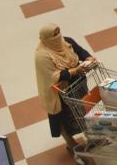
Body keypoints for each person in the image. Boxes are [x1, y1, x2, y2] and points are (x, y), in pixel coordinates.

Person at [34, 24, 97, 152]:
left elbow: (81, 51)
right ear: (45, 39)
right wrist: (76, 70)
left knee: (84, 110)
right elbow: (54, 76)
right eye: (54, 35)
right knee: (65, 116)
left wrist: (89, 59)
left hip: (77, 83)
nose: (58, 37)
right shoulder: (42, 56)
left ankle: (91, 138)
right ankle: (71, 144)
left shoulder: (66, 41)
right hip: (59, 90)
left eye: (59, 33)